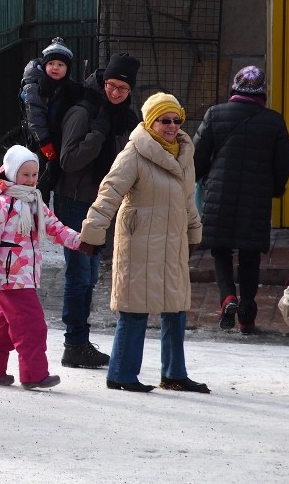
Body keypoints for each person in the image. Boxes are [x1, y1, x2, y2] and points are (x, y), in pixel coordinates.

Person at [81, 93, 207, 393]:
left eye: (177, 120)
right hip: (140, 242)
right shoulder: (134, 154)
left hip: (172, 241)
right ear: (151, 122)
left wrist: (194, 231)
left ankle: (174, 374)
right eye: (165, 120)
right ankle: (121, 374)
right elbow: (109, 193)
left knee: (175, 309)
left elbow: (187, 198)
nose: (172, 126)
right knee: (134, 308)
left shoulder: (184, 153)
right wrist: (92, 232)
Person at [0, 145, 95, 390]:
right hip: (11, 278)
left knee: (5, 325)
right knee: (32, 325)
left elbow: (55, 228)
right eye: (25, 175)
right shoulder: (1, 205)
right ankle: (34, 374)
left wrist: (81, 241)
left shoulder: (33, 201)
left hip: (25, 275)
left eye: (33, 175)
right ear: (11, 174)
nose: (30, 180)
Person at [53, 52, 141, 368]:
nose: (115, 93)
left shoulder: (125, 119)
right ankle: (74, 344)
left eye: (122, 89)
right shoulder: (84, 111)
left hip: (98, 205)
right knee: (79, 275)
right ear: (103, 82)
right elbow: (69, 160)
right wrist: (98, 133)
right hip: (75, 201)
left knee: (88, 276)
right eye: (111, 85)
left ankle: (79, 342)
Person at [193, 65, 289, 334]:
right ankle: (247, 315)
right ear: (263, 93)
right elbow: (285, 160)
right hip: (256, 195)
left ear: (234, 89)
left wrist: (202, 179)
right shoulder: (273, 120)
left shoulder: (215, 114)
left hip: (220, 193)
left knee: (220, 249)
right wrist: (274, 187)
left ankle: (228, 297)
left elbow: (197, 156)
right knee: (250, 255)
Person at [19, 37, 84, 200]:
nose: (55, 68)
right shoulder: (35, 86)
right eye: (51, 64)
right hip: (41, 144)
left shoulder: (66, 87)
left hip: (58, 141)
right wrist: (46, 145)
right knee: (39, 184)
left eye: (61, 65)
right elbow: (35, 119)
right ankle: (37, 216)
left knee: (52, 179)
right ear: (45, 65)